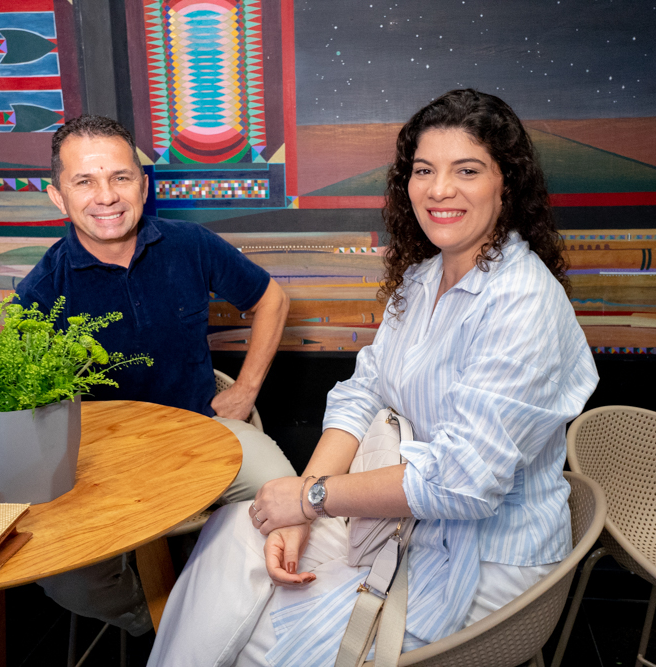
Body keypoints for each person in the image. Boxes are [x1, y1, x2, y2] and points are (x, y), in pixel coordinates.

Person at [147, 89, 599, 666]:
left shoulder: (524, 301)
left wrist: (311, 499)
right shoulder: (421, 279)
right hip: (402, 522)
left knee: (258, 641)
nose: (439, 190)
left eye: (467, 170)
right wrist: (301, 507)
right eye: (424, 170)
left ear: (505, 184)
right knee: (239, 526)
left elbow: (463, 483)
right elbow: (362, 394)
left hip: (483, 559)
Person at [15, 115, 295, 637]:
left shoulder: (190, 244)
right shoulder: (41, 290)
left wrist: (245, 389)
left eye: (120, 177)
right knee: (64, 576)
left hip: (205, 431)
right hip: (98, 462)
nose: (107, 196)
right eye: (85, 181)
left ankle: (263, 622)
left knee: (291, 502)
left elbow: (271, 299)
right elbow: (23, 405)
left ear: (143, 186)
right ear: (58, 197)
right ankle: (170, 628)